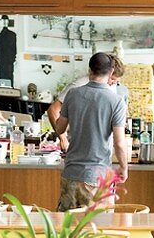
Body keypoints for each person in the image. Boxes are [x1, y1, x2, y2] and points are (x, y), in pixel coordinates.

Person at [52, 52, 128, 210]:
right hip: (98, 177)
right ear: (111, 72)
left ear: (90, 70)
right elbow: (119, 143)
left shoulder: (72, 95)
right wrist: (124, 167)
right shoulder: (116, 102)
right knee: (98, 230)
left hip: (71, 174)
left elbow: (59, 128)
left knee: (66, 230)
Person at [48, 54, 128, 152]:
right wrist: (62, 138)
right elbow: (53, 110)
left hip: (101, 152)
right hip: (78, 149)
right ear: (108, 73)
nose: (114, 83)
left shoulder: (111, 90)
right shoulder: (78, 86)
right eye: (113, 79)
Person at [0, 15, 17, 85]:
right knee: (4, 78)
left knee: (8, 77)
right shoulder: (0, 35)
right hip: (4, 61)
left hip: (8, 60)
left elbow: (14, 49)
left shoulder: (11, 35)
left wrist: (13, 59)